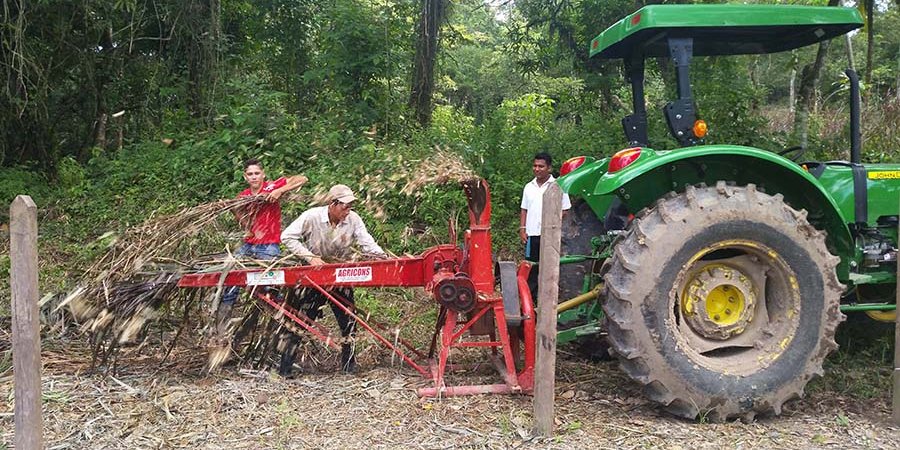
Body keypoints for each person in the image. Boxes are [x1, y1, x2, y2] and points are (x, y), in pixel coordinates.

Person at [279, 184, 387, 375]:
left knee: (349, 323)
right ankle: (284, 369)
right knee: (300, 322)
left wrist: (382, 257)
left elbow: (366, 242)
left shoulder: (353, 219)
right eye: (344, 206)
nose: (348, 210)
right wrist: (309, 257)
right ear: (332, 204)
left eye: (350, 206)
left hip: (340, 275)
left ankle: (349, 367)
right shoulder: (312, 216)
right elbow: (287, 236)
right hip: (314, 278)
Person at [217, 158, 308, 326]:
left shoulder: (271, 187)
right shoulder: (243, 197)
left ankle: (280, 325)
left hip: (268, 246)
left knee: (271, 286)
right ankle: (222, 327)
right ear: (245, 177)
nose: (254, 177)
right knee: (229, 277)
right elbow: (247, 225)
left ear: (263, 174)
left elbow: (302, 179)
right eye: (250, 174)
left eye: (257, 173)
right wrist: (233, 209)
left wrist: (281, 190)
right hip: (249, 245)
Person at [519, 152, 571, 299]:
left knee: (548, 267)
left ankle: (549, 299)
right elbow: (524, 209)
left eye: (541, 166)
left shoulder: (558, 186)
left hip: (550, 236)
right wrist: (522, 229)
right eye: (535, 166)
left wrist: (552, 223)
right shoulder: (529, 187)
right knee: (531, 267)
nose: (537, 169)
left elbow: (565, 210)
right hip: (532, 235)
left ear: (549, 168)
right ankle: (531, 300)